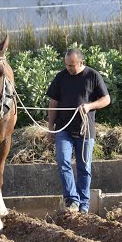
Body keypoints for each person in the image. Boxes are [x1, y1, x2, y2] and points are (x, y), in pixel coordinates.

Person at [46, 48, 110, 213]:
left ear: (81, 62)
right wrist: (50, 128)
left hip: (85, 130)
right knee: (63, 161)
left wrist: (89, 106)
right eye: (67, 65)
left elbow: (106, 99)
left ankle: (84, 205)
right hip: (63, 129)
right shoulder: (60, 77)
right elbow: (53, 104)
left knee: (84, 167)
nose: (69, 68)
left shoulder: (92, 76)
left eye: (72, 65)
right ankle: (71, 200)